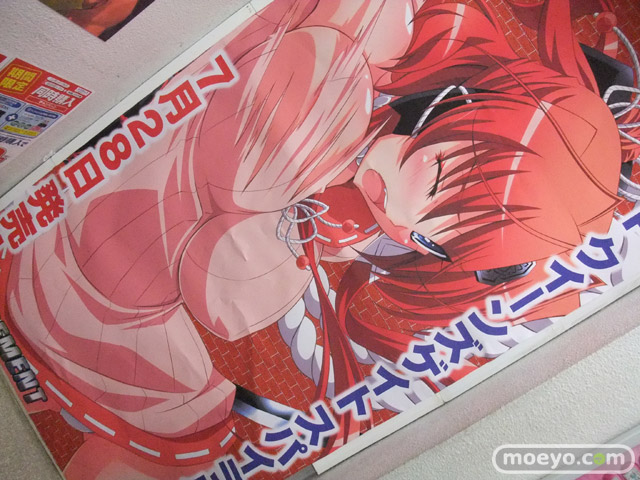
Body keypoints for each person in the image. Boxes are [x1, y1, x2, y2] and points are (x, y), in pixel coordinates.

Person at [2, 0, 639, 478]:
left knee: (187, 424)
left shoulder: (362, 158)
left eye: (431, 238)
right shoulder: (366, 62)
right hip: (86, 217)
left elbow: (226, 287)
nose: (399, 212)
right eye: (436, 168)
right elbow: (225, 278)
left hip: (95, 257)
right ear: (459, 104)